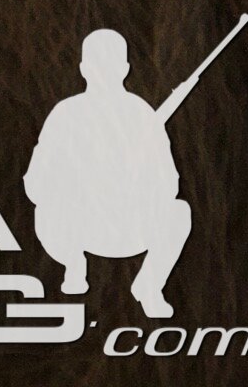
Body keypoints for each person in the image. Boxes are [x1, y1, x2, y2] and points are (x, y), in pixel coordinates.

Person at [31, 29, 194, 320]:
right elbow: (36, 184)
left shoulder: (143, 115)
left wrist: (132, 182)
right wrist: (81, 187)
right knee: (47, 209)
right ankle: (73, 264)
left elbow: (169, 185)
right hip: (76, 228)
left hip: (129, 227)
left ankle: (149, 285)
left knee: (179, 213)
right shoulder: (65, 114)